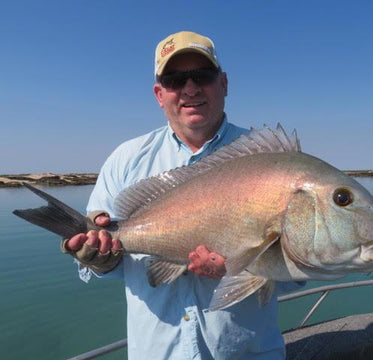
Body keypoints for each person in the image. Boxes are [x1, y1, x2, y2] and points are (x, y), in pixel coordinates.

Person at [63, 31, 302, 359]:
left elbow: (300, 271)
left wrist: (239, 267)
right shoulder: (125, 159)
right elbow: (109, 261)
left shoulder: (268, 162)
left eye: (202, 76)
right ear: (159, 94)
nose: (190, 88)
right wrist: (97, 256)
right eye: (175, 80)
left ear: (224, 84)